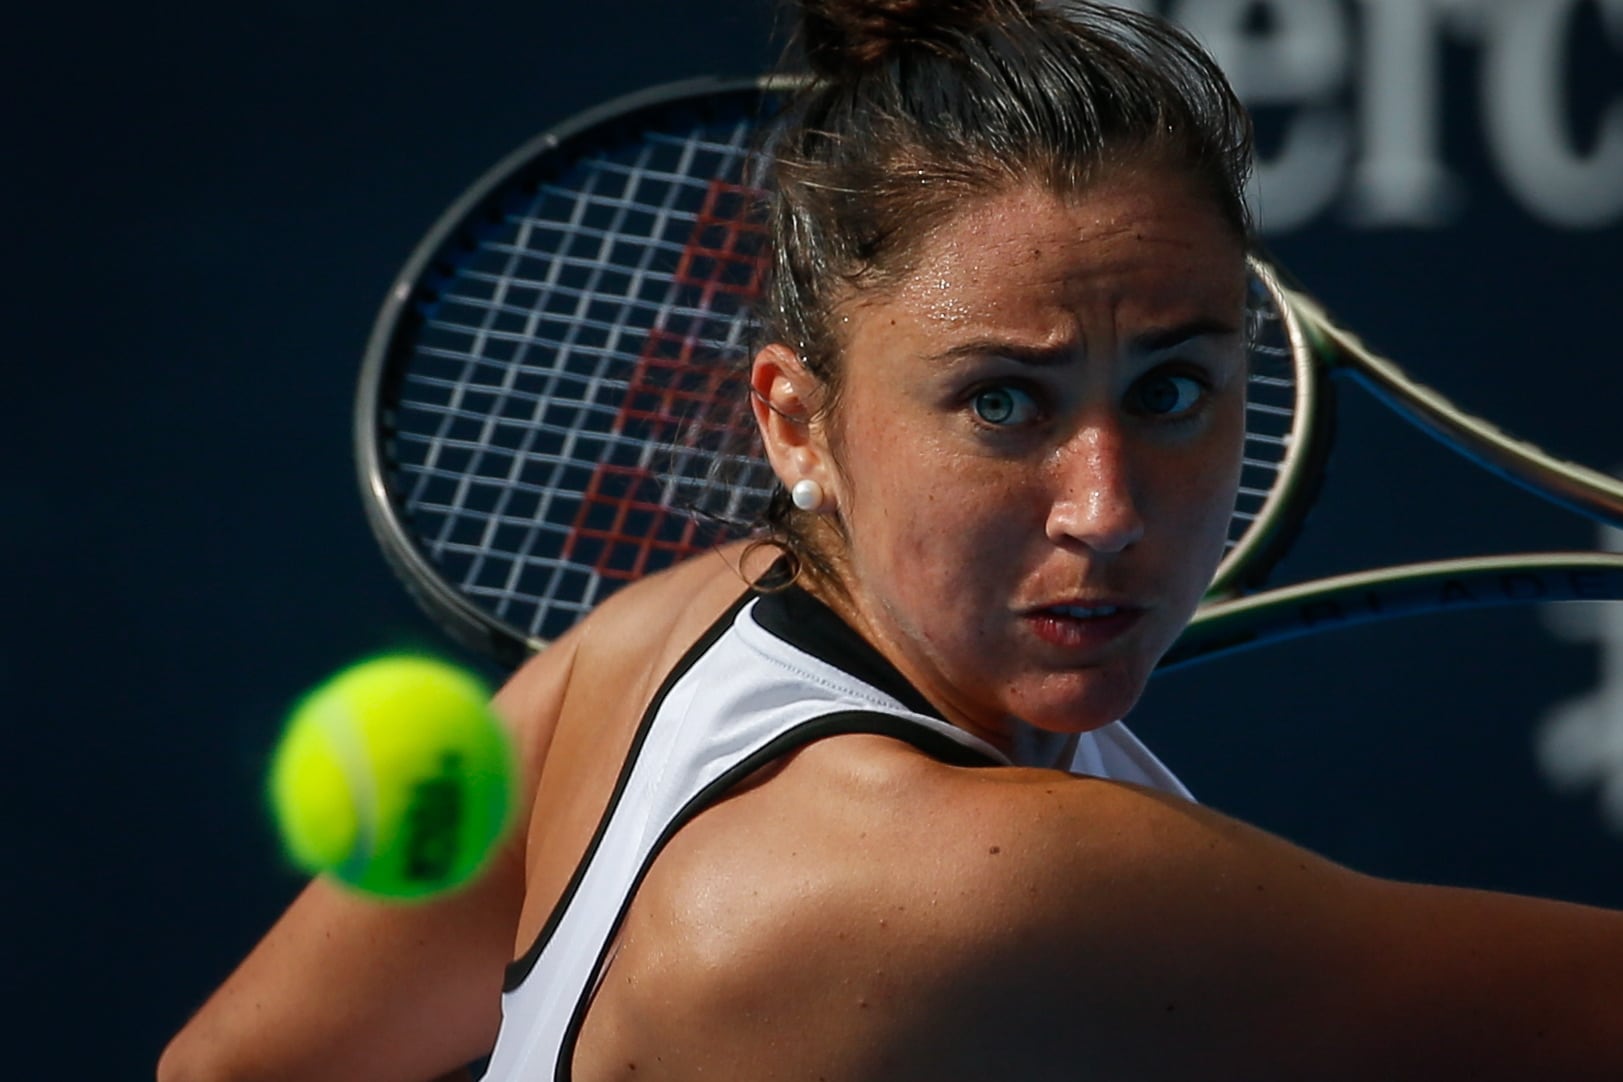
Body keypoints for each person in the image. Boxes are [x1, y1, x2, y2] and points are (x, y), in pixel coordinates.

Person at [159, 2, 1623, 1079]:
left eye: (1174, 389)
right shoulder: (981, 887)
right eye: (1003, 401)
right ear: (798, 424)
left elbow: (233, 1068)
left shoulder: (655, 637)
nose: (1106, 506)